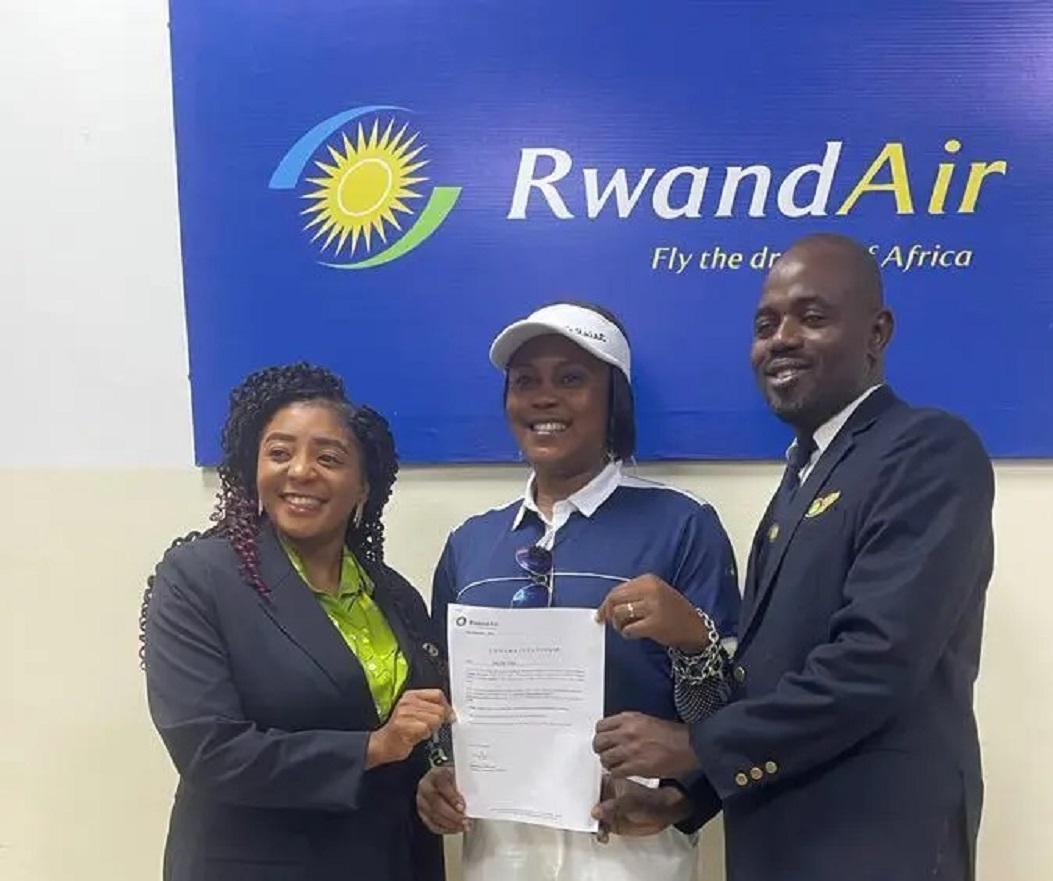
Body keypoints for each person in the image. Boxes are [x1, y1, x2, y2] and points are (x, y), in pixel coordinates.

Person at [593, 233, 996, 881]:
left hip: (875, 847)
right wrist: (685, 797)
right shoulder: (800, 482)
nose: (780, 339)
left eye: (811, 317)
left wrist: (692, 744)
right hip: (781, 845)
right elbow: (768, 680)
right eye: (765, 325)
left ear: (877, 333)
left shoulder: (926, 451)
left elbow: (874, 661)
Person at [414, 301, 742, 881]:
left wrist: (693, 639)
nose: (544, 398)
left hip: (631, 850)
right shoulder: (471, 543)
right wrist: (439, 773)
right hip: (501, 851)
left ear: (615, 399)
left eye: (571, 379)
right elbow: (445, 700)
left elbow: (728, 717)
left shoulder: (682, 525)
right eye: (525, 382)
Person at [139, 362, 453, 881]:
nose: (301, 471)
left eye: (329, 458)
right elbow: (210, 751)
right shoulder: (199, 579)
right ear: (253, 467)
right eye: (280, 453)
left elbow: (417, 735)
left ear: (363, 487)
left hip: (390, 859)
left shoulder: (395, 596)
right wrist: (372, 747)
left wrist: (433, 777)